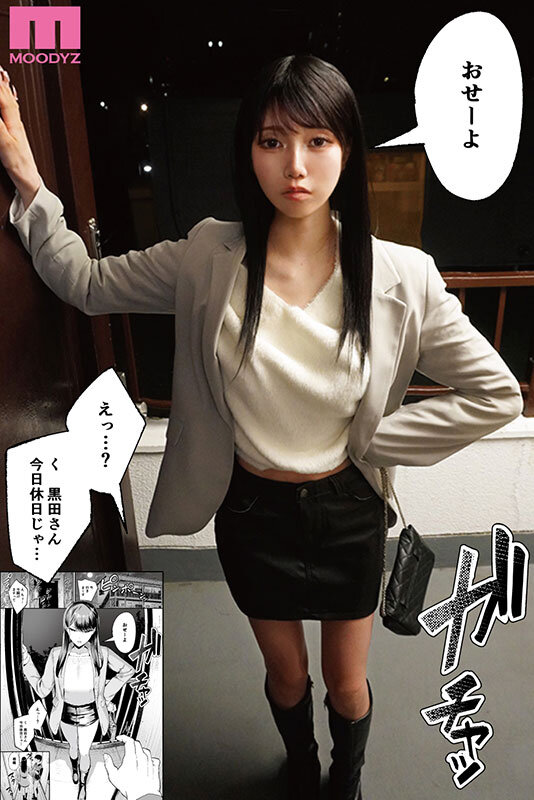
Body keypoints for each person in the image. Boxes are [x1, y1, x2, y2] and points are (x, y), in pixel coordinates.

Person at [0, 55, 523, 800]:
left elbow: (495, 394)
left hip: (348, 510)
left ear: (347, 149)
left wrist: (375, 440)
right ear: (249, 150)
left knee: (347, 682)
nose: (295, 166)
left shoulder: (400, 275)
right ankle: (300, 766)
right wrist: (28, 182)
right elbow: (86, 284)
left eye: (318, 141)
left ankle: (346, 776)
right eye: (273, 141)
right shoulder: (208, 256)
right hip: (252, 510)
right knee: (285, 674)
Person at [20, 601, 135, 800]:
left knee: (84, 751)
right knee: (73, 748)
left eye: (87, 630)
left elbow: (127, 670)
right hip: (65, 712)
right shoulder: (57, 655)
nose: (80, 636)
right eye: (74, 630)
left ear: (94, 631)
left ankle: (83, 784)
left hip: (91, 713)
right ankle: (74, 767)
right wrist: (26, 661)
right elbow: (42, 689)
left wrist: (104, 695)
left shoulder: (102, 653)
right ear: (66, 628)